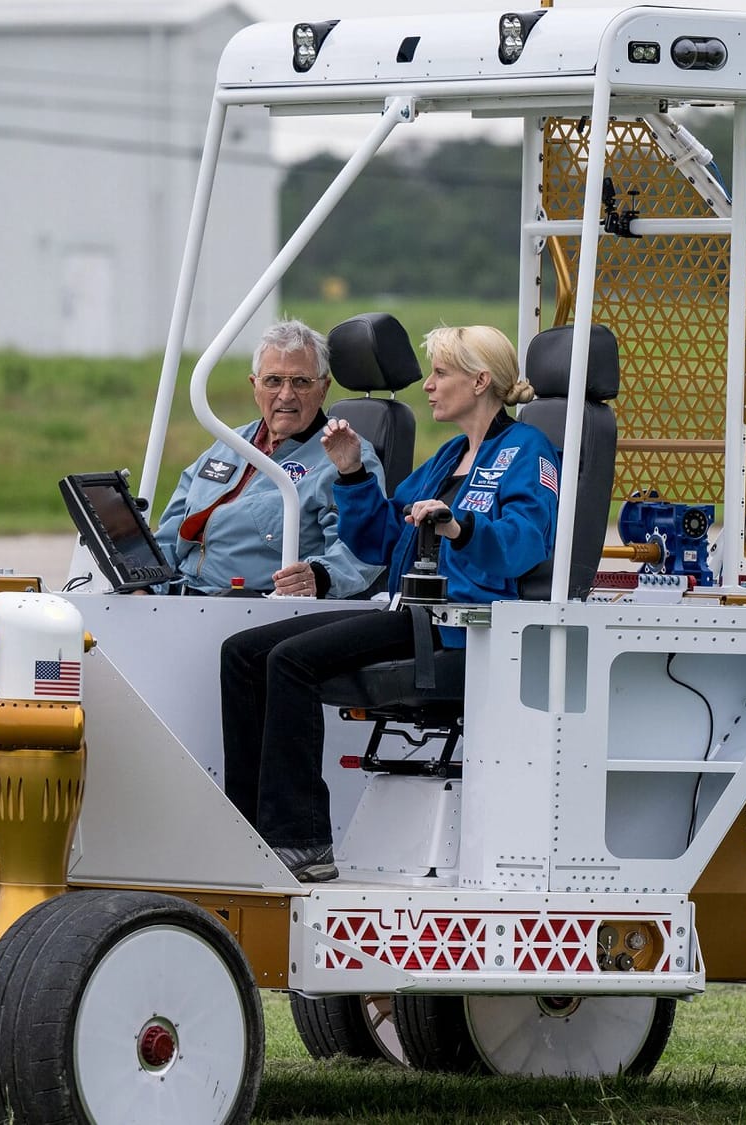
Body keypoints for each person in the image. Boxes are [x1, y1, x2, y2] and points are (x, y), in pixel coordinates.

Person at [220, 325, 560, 881]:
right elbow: (380, 541)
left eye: (441, 373)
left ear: (479, 381)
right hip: (408, 610)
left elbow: (525, 543)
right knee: (243, 653)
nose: (428, 386)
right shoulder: (450, 456)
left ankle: (302, 840)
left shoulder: (528, 452)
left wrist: (458, 526)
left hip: (456, 625)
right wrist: (351, 470)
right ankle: (244, 826)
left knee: (290, 662)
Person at [151, 320, 386, 598]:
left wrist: (319, 577)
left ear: (323, 389)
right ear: (255, 386)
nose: (286, 395)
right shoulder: (229, 443)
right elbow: (168, 532)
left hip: (253, 606)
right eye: (273, 381)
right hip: (177, 596)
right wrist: (144, 583)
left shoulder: (346, 456)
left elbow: (362, 550)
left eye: (301, 382)